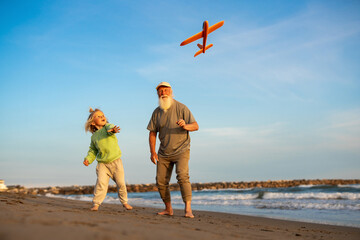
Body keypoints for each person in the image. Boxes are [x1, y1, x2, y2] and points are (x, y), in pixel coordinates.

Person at [147, 82, 199, 218]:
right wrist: (152, 152)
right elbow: (152, 133)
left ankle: (188, 209)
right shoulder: (156, 112)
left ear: (171, 92)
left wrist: (185, 126)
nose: (163, 93)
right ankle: (168, 209)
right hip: (163, 153)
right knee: (160, 181)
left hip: (182, 149)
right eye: (160, 91)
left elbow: (196, 126)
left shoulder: (181, 108)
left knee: (182, 176)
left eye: (165, 90)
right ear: (158, 94)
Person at [83, 108, 132, 211]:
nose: (102, 117)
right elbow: (93, 150)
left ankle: (124, 202)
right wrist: (88, 159)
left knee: (121, 183)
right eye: (99, 116)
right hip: (102, 164)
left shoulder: (107, 127)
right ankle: (96, 204)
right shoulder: (94, 137)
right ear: (92, 122)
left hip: (116, 162)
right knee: (101, 183)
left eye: (103, 115)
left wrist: (113, 130)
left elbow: (111, 128)